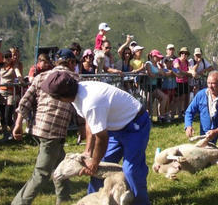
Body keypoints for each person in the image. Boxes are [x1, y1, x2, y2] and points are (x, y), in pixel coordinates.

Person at [41, 72, 151, 205]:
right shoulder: (77, 95)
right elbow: (90, 122)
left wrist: (94, 162)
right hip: (115, 127)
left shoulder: (90, 101)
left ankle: (140, 202)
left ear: (62, 97)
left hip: (135, 125)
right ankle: (93, 201)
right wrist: (88, 152)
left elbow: (102, 138)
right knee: (99, 168)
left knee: (131, 170)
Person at [11, 49, 79, 205]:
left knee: (60, 164)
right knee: (41, 173)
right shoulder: (74, 79)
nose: (75, 66)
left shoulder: (41, 77)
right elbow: (78, 109)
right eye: (75, 62)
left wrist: (17, 125)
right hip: (53, 131)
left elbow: (25, 102)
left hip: (39, 129)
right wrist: (82, 128)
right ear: (70, 63)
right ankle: (19, 203)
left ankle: (64, 198)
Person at [0, 51, 24, 140]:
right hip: (1, 93)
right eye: (6, 56)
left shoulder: (14, 66)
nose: (8, 58)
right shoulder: (0, 66)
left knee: (8, 115)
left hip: (10, 93)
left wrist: (20, 79)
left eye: (9, 56)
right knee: (2, 116)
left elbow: (18, 73)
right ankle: (6, 135)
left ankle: (15, 133)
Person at [145, 50, 169, 122]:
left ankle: (159, 117)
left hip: (155, 85)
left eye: (160, 57)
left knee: (150, 103)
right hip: (149, 86)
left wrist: (159, 69)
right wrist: (159, 72)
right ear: (153, 56)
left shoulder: (157, 65)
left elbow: (164, 74)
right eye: (158, 57)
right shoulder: (148, 63)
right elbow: (151, 74)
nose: (159, 59)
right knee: (163, 98)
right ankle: (160, 117)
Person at [173, 47, 192, 116]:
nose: (184, 55)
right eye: (183, 53)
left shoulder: (187, 62)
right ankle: (177, 113)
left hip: (185, 82)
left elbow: (191, 71)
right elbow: (177, 69)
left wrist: (183, 73)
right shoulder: (176, 60)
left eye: (186, 53)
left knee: (186, 98)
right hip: (178, 82)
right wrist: (187, 73)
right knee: (178, 99)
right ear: (180, 54)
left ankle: (184, 112)